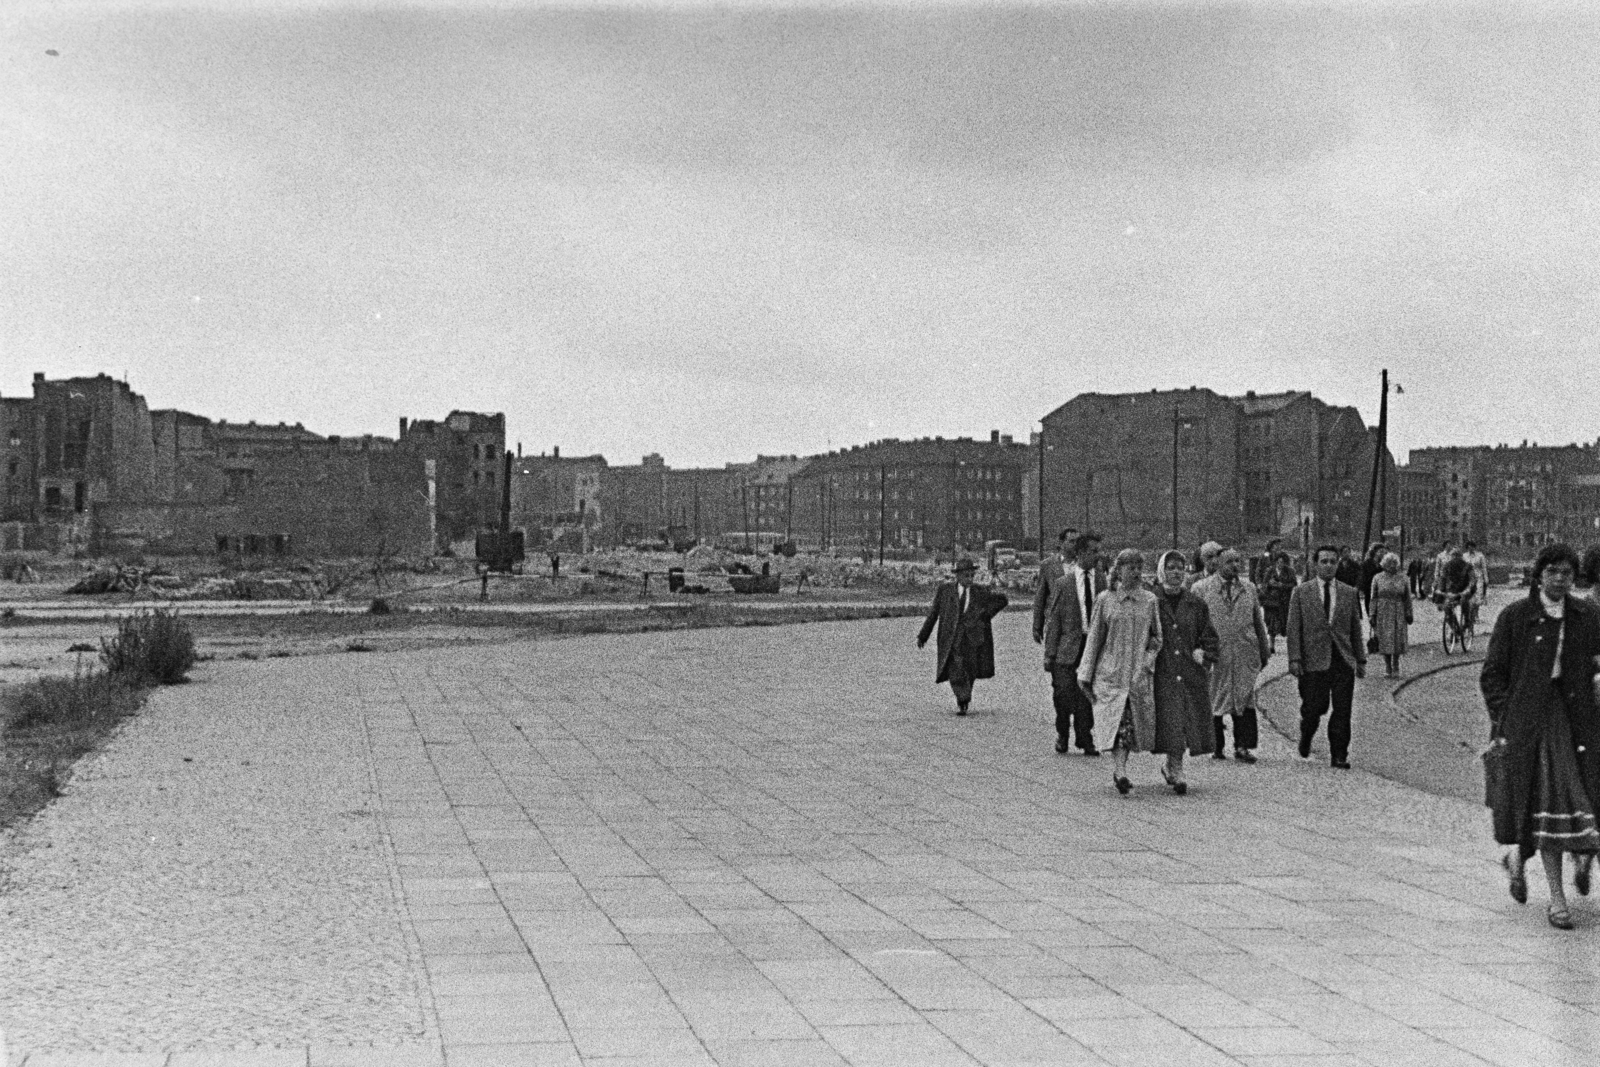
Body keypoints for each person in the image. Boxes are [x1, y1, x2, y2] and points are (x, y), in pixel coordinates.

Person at [1480, 543, 1600, 930]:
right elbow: (1493, 675)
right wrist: (1505, 722)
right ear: (1539, 575)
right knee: (1551, 800)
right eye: (1553, 572)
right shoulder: (1516, 616)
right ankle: (1557, 898)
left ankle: (1527, 859)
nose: (1560, 579)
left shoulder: (1587, 616)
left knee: (1587, 798)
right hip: (1533, 724)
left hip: (1580, 720)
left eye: (1567, 573)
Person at [1078, 548, 1162, 795]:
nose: (1135, 572)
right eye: (1130, 568)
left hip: (1137, 674)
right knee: (1118, 724)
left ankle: (1121, 769)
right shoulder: (1106, 600)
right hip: (1111, 674)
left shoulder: (1149, 601)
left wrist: (1147, 662)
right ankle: (1120, 770)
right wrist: (1085, 674)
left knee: (1130, 724)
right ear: (1119, 570)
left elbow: (1157, 638)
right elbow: (1094, 638)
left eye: (1139, 568)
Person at [1288, 545, 1366, 768]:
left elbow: (1355, 628)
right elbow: (1294, 628)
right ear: (1315, 564)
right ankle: (1307, 734)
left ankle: (1339, 754)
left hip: (1342, 658)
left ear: (1338, 564)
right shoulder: (1301, 592)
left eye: (1333, 561)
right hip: (1313, 660)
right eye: (1324, 561)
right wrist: (1295, 659)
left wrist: (1360, 659)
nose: (1329, 565)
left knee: (1342, 709)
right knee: (1314, 707)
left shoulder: (1349, 593)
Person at [1151, 549, 1221, 794]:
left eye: (1180, 568)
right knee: (1171, 719)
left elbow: (1209, 635)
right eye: (1170, 567)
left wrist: (1204, 654)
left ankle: (1175, 766)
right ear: (1162, 570)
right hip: (1163, 670)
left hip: (1189, 671)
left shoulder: (1195, 603)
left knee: (1184, 719)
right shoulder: (1152, 601)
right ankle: (1173, 765)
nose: (1176, 572)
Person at [1192, 547, 1271, 763]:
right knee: (1215, 698)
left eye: (1237, 561)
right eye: (1229, 561)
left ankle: (1243, 746)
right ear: (1218, 563)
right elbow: (1194, 624)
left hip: (1244, 652)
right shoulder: (1201, 589)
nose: (1235, 566)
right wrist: (1197, 651)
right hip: (1216, 654)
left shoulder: (1248, 588)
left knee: (1244, 698)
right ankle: (1216, 746)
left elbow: (1258, 622)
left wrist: (1263, 650)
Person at [1041, 533, 1107, 755]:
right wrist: (1049, 654)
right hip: (1066, 649)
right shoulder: (1064, 583)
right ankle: (1062, 732)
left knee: (1085, 696)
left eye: (1099, 551)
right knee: (1062, 693)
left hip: (1092, 646)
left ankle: (1084, 738)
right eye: (1094, 551)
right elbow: (1055, 620)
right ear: (1080, 553)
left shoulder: (1101, 581)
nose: (1098, 556)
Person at [918, 557, 1008, 716]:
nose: (970, 579)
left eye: (972, 575)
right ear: (958, 576)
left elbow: (1002, 600)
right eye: (966, 576)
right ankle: (962, 698)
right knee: (955, 666)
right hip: (952, 638)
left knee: (970, 668)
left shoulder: (980, 591)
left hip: (973, 638)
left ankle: (964, 697)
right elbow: (933, 614)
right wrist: (923, 636)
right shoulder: (945, 591)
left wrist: (984, 615)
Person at [1032, 527, 1082, 644]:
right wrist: (1037, 626)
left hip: (1079, 623)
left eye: (1078, 542)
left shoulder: (1083, 564)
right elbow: (1040, 598)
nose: (1075, 545)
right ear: (1061, 543)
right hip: (1055, 623)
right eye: (1072, 541)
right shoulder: (1048, 565)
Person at [1368, 552, 1413, 678]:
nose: (1392, 566)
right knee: (1385, 639)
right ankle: (1387, 666)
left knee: (1397, 638)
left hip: (1399, 610)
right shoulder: (1377, 578)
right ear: (1384, 564)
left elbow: (1407, 598)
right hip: (1383, 611)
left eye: (1394, 563)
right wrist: (1372, 614)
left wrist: (1409, 612)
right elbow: (1373, 597)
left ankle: (1396, 664)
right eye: (1389, 563)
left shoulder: (1403, 578)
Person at [1261, 551, 1298, 654]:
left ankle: (1291, 646)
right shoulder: (1270, 571)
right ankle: (1271, 646)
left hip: (1284, 602)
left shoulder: (1290, 571)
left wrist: (1283, 585)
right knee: (1271, 625)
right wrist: (1269, 584)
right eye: (1278, 562)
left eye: (1282, 562)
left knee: (1286, 624)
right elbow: (1264, 585)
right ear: (1275, 562)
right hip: (1271, 602)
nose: (1280, 564)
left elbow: (1294, 584)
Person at [1462, 540, 1489, 628]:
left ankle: (1476, 615)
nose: (1470, 548)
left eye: (1472, 546)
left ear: (1474, 547)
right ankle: (1468, 615)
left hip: (1478, 578)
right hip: (1468, 579)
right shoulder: (1464, 556)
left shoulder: (1480, 556)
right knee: (1468, 597)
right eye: (1468, 547)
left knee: (1477, 597)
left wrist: (1486, 578)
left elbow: (1484, 568)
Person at [1358, 543, 1385, 616]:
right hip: (1369, 591)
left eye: (1384, 552)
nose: (1383, 554)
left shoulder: (1384, 564)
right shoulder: (1366, 563)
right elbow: (1363, 577)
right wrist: (1362, 589)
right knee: (1370, 613)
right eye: (1381, 551)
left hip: (1381, 593)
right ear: (1375, 552)